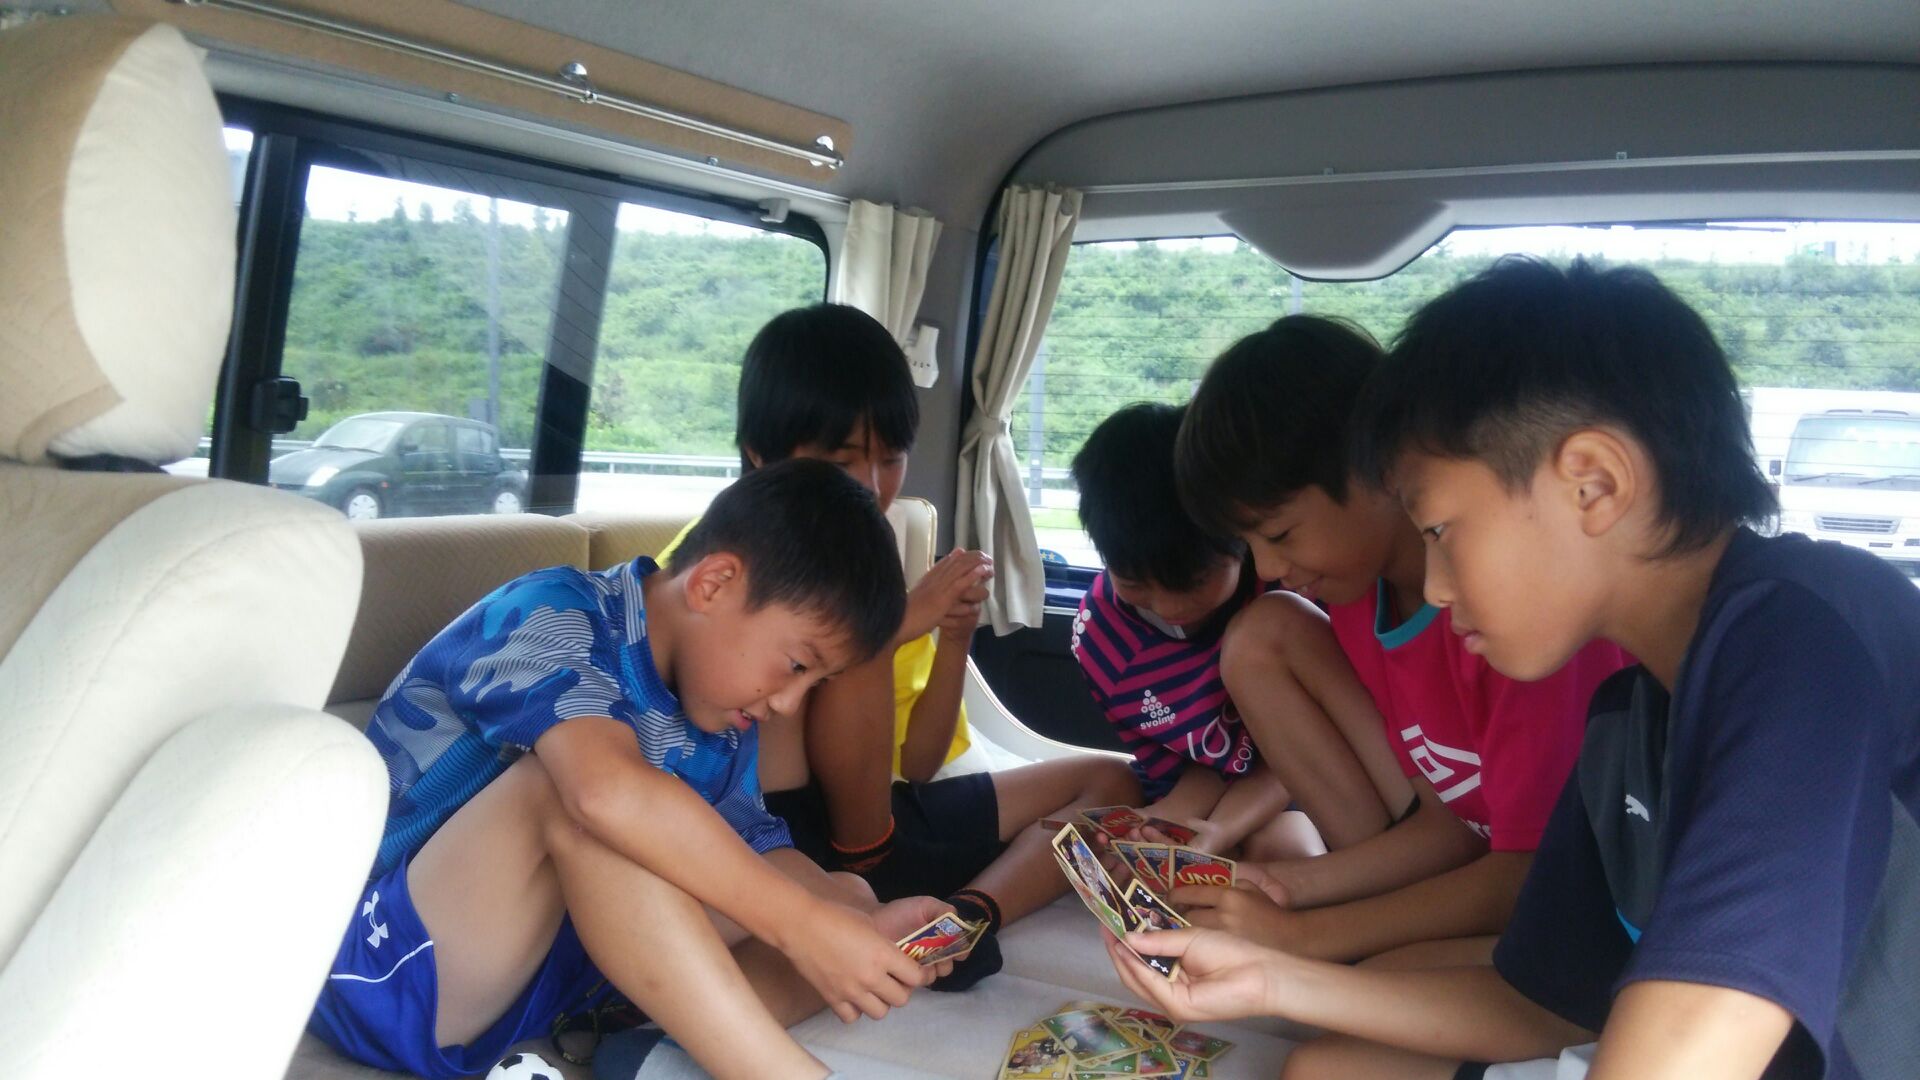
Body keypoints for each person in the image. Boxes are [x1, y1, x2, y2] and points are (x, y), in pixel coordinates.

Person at [1111, 257, 1920, 1080]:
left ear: (1593, 483)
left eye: (1439, 531)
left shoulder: (1802, 634)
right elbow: (1543, 1000)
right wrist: (1272, 975)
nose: (1434, 586)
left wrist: (1300, 943)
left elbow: (1690, 1039)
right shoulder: (1627, 715)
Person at [310, 460, 958, 1080]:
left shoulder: (719, 713)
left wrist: (862, 929)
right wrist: (803, 928)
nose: (789, 703)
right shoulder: (553, 614)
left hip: (546, 972)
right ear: (713, 584)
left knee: (843, 896)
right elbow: (603, 795)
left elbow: (755, 854)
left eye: (815, 682)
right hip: (391, 967)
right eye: (796, 665)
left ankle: (660, 1059)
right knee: (578, 796)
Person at [660, 303, 1141, 990]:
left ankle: (972, 914)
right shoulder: (713, 568)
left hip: (890, 814)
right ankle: (872, 886)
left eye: (889, 459)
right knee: (850, 637)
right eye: (840, 460)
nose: (870, 486)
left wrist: (953, 636)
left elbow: (920, 763)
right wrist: (896, 627)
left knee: (1115, 784)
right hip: (791, 829)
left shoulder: (871, 557)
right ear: (761, 457)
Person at [1168, 314, 1629, 966]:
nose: (1266, 568)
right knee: (1262, 631)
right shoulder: (1359, 601)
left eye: (1280, 534)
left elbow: (1535, 874)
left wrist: (1303, 938)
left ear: (1379, 470)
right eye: (1248, 545)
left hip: (1561, 912)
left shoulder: (1517, 619)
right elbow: (1448, 824)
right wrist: (1276, 888)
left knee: (1348, 1004)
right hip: (1479, 865)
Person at [1068, 402, 1382, 859]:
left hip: (1317, 783)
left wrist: (1217, 828)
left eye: (1194, 582)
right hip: (1206, 798)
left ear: (1240, 537)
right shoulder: (1105, 645)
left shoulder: (1291, 587)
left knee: (1285, 847)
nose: (1171, 608)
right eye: (1135, 584)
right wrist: (1182, 821)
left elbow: (1309, 750)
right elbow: (1185, 770)